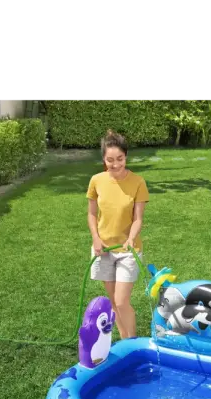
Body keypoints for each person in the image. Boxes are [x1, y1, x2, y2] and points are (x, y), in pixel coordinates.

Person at [86, 130, 149, 340]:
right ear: (104, 159)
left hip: (128, 250)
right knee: (114, 302)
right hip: (103, 249)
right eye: (110, 160)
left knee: (122, 301)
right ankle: (125, 341)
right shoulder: (96, 180)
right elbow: (91, 214)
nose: (115, 164)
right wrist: (96, 239)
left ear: (126, 157)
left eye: (120, 159)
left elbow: (138, 218)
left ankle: (133, 342)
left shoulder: (138, 182)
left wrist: (131, 238)